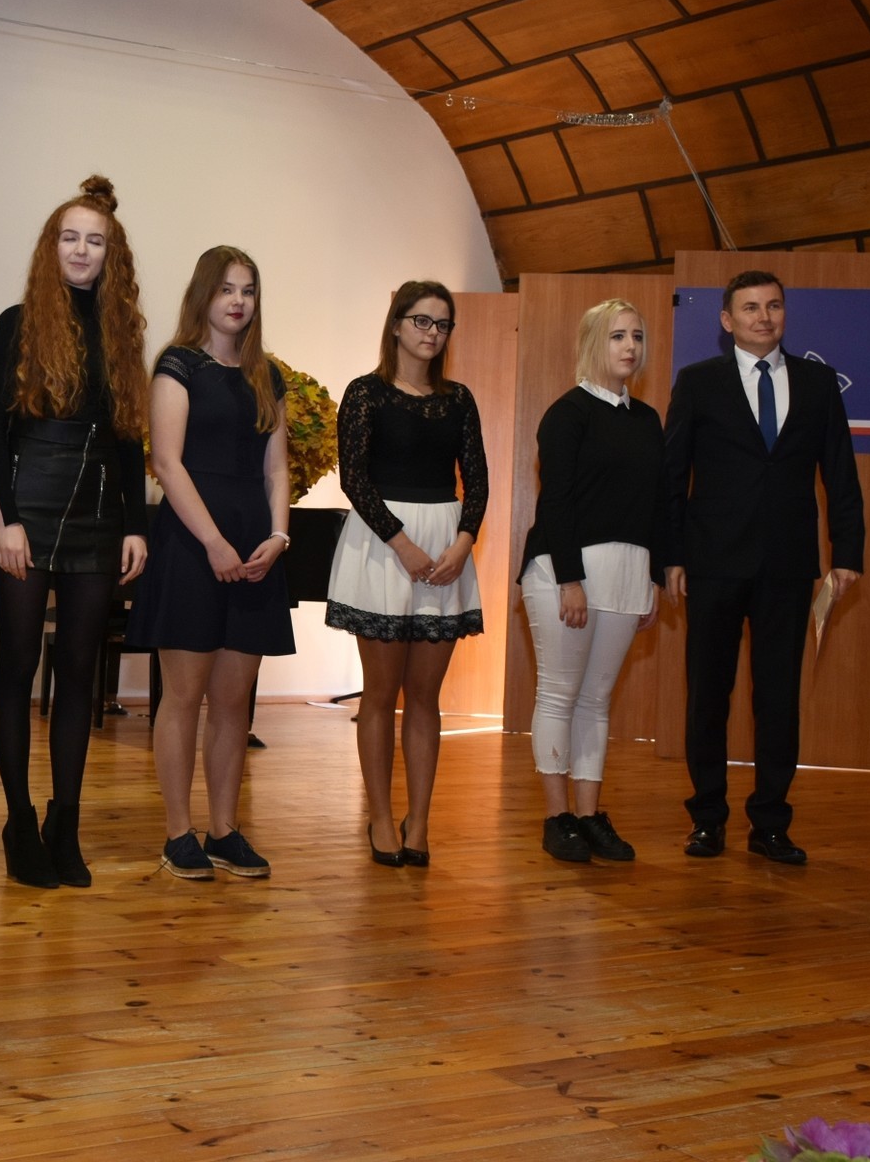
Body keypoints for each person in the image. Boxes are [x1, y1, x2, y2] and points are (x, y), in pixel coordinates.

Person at [0, 176, 149, 889]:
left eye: (95, 240)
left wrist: (137, 525)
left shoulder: (121, 333)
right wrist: (7, 519)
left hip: (100, 518)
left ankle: (65, 823)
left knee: (79, 673)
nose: (82, 250)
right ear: (52, 247)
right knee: (18, 665)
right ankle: (19, 822)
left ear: (112, 254)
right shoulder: (17, 322)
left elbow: (130, 437)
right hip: (28, 510)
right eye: (70, 237)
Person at [664, 270, 865, 865]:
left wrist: (847, 554)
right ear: (727, 320)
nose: (764, 317)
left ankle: (771, 824)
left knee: (777, 698)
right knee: (708, 696)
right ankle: (707, 820)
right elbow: (673, 477)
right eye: (750, 308)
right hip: (712, 562)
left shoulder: (818, 382)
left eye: (773, 306)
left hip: (787, 564)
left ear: (784, 314)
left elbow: (841, 472)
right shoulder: (698, 382)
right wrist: (671, 555)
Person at [128, 246, 293, 881]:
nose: (238, 301)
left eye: (248, 290)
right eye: (226, 289)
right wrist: (214, 543)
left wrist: (278, 535)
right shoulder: (178, 365)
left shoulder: (266, 375)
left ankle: (224, 830)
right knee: (184, 695)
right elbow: (167, 464)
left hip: (255, 548)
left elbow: (276, 469)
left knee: (233, 701)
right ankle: (179, 834)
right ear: (204, 294)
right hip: (193, 546)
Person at [324, 281, 486, 869]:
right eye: (421, 320)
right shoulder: (364, 392)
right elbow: (354, 479)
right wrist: (402, 543)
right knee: (380, 694)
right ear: (396, 324)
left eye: (442, 324)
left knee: (425, 696)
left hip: (445, 546)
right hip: (382, 545)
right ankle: (379, 817)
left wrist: (463, 542)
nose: (432, 333)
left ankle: (419, 821)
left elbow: (477, 479)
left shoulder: (459, 398)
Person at [517, 298, 668, 864]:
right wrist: (570, 580)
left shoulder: (648, 420)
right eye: (616, 336)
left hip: (629, 575)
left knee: (596, 702)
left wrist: (652, 578)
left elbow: (656, 506)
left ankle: (588, 816)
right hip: (565, 572)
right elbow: (555, 500)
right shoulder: (568, 413)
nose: (630, 346)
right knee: (559, 694)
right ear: (591, 344)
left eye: (637, 336)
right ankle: (557, 818)